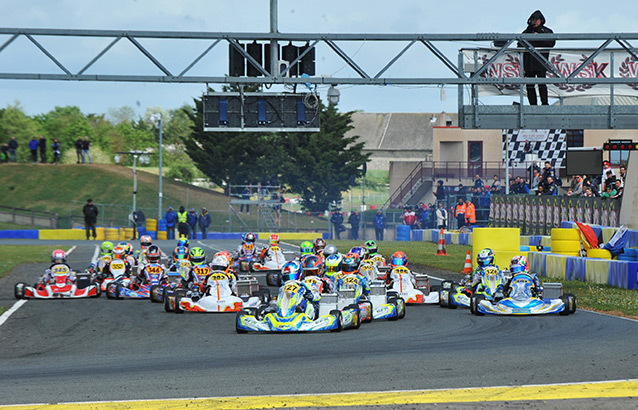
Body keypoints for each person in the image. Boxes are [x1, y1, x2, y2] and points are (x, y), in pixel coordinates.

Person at [518, 10, 555, 105]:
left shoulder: (546, 31)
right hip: (529, 63)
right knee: (530, 85)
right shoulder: (525, 32)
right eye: (533, 19)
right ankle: (533, 104)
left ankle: (544, 103)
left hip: (540, 62)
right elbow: (519, 45)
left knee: (541, 83)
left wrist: (537, 38)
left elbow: (551, 43)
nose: (534, 22)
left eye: (536, 19)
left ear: (541, 20)